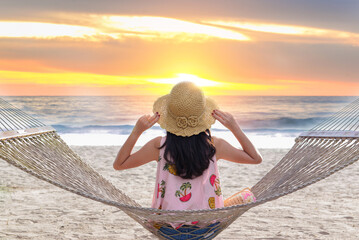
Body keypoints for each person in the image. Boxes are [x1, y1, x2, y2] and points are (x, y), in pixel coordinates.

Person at [113, 81, 262, 213]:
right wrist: (234, 127)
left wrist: (136, 131)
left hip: (167, 225)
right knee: (247, 196)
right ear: (203, 115)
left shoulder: (159, 146)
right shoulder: (215, 145)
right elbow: (255, 158)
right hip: (208, 222)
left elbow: (119, 164)